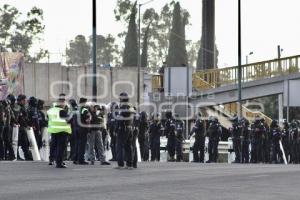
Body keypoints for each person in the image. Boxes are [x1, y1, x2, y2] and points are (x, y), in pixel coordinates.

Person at [47, 94, 72, 168]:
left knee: (53, 146)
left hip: (54, 130)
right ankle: (59, 163)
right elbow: (68, 120)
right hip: (62, 131)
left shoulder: (51, 110)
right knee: (60, 148)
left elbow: (48, 118)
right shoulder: (61, 111)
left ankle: (51, 159)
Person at [115, 92, 135, 169]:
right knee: (128, 146)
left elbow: (119, 119)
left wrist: (116, 129)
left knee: (119, 146)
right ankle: (129, 164)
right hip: (130, 128)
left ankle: (120, 164)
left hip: (123, 128)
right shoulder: (131, 106)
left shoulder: (122, 107)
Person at [75, 97, 91, 165]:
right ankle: (81, 160)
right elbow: (87, 120)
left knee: (77, 144)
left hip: (76, 128)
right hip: (82, 128)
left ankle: (75, 159)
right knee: (82, 145)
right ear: (84, 102)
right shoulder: (84, 109)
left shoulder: (76, 108)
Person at [17, 94, 32, 160]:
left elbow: (25, 118)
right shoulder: (18, 107)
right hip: (20, 127)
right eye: (24, 100)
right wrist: (27, 125)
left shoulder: (23, 107)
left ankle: (27, 156)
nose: (25, 101)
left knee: (24, 143)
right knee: (18, 142)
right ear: (21, 100)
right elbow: (21, 118)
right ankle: (18, 156)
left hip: (23, 127)